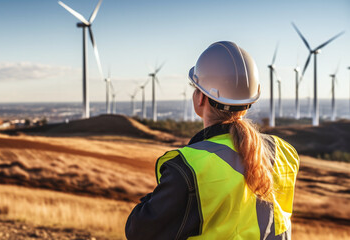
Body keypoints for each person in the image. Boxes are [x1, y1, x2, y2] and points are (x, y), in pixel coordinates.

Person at [125, 41, 299, 240]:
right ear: (249, 102)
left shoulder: (189, 168)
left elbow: (139, 231)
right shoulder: (283, 152)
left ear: (200, 98)